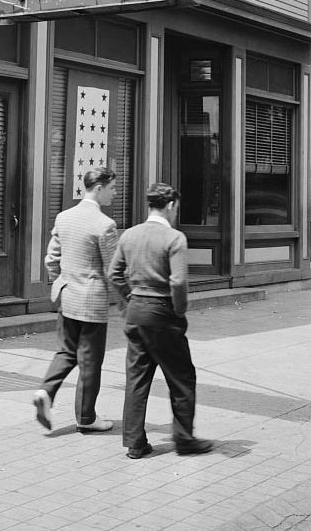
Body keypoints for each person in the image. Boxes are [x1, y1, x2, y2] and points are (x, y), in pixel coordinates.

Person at [108, 182, 212, 459]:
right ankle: (184, 438)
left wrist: (128, 299)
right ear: (170, 206)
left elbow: (114, 273)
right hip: (163, 312)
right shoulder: (174, 238)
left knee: (137, 378)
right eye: (175, 207)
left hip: (136, 311)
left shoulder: (129, 235)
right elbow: (178, 281)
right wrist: (179, 310)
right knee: (181, 377)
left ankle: (135, 443)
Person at [33, 167, 118, 433]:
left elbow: (51, 259)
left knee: (66, 351)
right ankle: (86, 418)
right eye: (113, 188)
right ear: (99, 188)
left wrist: (61, 280)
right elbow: (112, 269)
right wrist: (121, 298)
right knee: (91, 361)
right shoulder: (105, 225)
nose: (115, 194)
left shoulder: (64, 217)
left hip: (67, 295)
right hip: (92, 301)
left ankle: (46, 391)